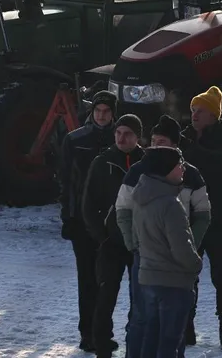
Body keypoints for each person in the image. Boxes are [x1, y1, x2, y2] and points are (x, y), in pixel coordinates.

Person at [118, 116, 211, 356]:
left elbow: (203, 213)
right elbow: (123, 211)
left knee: (170, 330)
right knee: (144, 320)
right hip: (151, 258)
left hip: (176, 259)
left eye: (162, 142)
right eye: (154, 141)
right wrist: (135, 244)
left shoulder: (190, 174)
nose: (156, 146)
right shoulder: (139, 174)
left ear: (175, 145)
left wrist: (192, 243)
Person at [180, 86, 222, 350]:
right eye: (193, 110)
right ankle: (187, 328)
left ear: (213, 115)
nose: (194, 115)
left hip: (221, 219)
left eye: (200, 110)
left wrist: (191, 149)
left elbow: (220, 164)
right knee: (187, 275)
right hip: (191, 218)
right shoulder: (185, 138)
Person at [82, 114, 146, 358]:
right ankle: (102, 345)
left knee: (139, 298)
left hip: (141, 243)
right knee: (105, 296)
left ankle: (136, 342)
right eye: (118, 133)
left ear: (138, 136)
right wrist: (102, 235)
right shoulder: (102, 161)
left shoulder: (147, 162)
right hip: (111, 242)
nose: (121, 138)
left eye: (127, 133)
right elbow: (88, 204)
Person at [133, 146, 204, 358]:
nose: (183, 169)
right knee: (169, 345)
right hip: (172, 284)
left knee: (151, 341)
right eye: (178, 165)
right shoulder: (170, 204)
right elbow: (182, 249)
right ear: (165, 169)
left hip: (148, 279)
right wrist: (196, 264)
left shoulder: (140, 198)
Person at [59, 93, 117, 352]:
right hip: (83, 221)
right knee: (87, 280)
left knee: (108, 281)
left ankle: (103, 332)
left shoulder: (124, 140)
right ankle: (87, 333)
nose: (102, 115)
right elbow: (67, 183)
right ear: (92, 111)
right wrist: (68, 217)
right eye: (98, 110)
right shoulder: (75, 140)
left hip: (113, 224)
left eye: (106, 110)